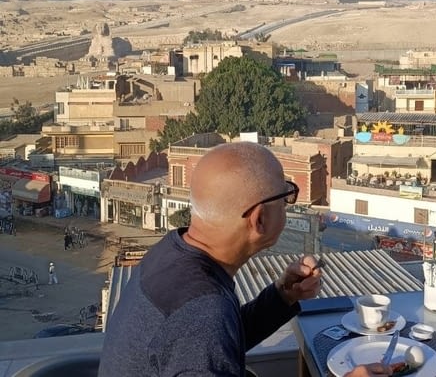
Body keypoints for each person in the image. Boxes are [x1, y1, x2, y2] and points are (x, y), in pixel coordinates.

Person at [99, 141, 390, 377]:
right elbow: (205, 334)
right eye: (286, 197)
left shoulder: (171, 253)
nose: (288, 207)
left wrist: (280, 297)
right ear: (259, 219)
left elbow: (218, 340)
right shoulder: (203, 313)